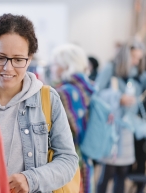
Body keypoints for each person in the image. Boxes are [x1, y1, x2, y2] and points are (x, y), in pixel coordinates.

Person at [0, 13, 79, 193]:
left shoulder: (47, 99)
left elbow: (68, 160)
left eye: (18, 60)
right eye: (0, 57)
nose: (8, 68)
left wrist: (31, 179)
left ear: (29, 60)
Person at [95, 39, 146, 193]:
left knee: (123, 171)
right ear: (125, 55)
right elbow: (96, 93)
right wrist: (118, 98)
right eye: (134, 57)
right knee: (108, 170)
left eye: (139, 58)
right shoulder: (110, 68)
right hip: (111, 127)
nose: (136, 61)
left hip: (127, 128)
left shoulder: (137, 72)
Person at [51, 44, 95, 193]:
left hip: (70, 159)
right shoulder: (87, 87)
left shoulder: (64, 92)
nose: (52, 67)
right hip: (86, 156)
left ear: (66, 66)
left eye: (56, 63)